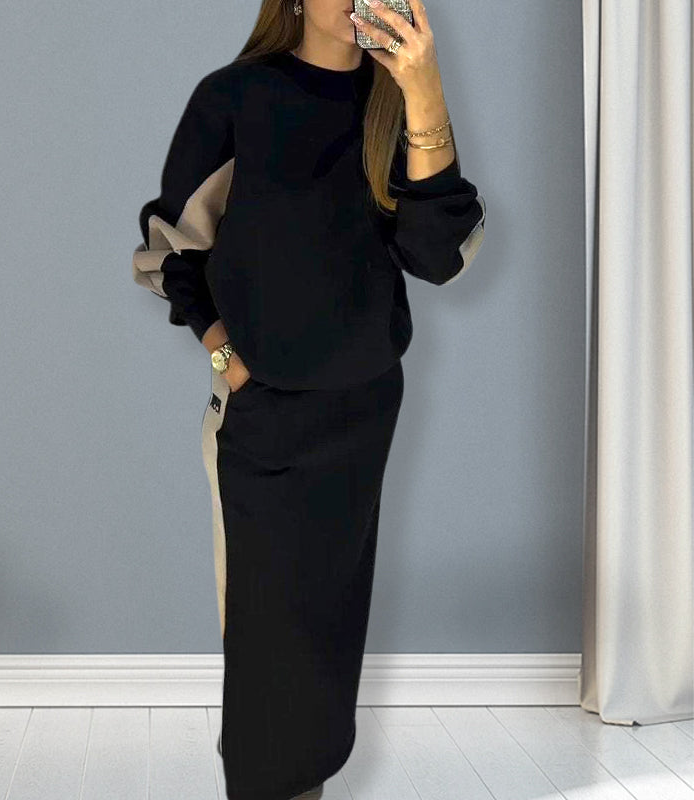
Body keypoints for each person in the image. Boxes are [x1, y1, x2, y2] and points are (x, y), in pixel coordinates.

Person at [132, 0, 486, 797]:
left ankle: (307, 785)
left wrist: (424, 87)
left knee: (327, 630)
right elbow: (173, 249)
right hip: (263, 418)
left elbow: (439, 257)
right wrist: (226, 355)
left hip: (363, 413)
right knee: (267, 639)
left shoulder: (395, 105)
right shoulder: (235, 98)